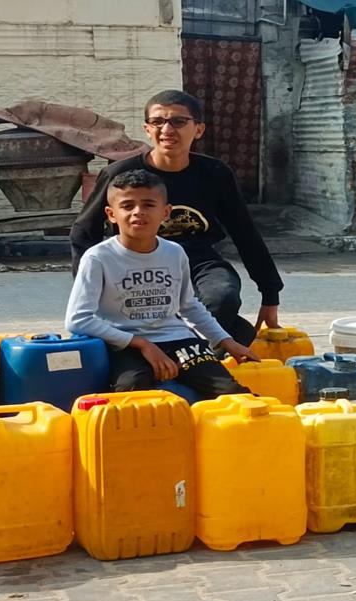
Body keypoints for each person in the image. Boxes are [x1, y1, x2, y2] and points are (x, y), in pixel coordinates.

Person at [70, 90, 283, 346]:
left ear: (198, 129)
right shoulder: (121, 174)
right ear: (147, 129)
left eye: (179, 121)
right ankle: (203, 340)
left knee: (222, 297)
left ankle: (192, 351)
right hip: (134, 264)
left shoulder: (215, 173)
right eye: (158, 122)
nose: (167, 129)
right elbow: (84, 232)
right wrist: (91, 290)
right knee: (146, 317)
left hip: (199, 260)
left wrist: (270, 293)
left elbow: (244, 233)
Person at [66, 169, 257, 396]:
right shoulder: (98, 258)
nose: (138, 212)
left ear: (165, 212)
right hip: (125, 346)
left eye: (148, 205)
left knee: (232, 393)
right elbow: (78, 319)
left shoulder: (175, 253)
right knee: (131, 391)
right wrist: (142, 344)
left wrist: (226, 341)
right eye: (127, 206)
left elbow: (189, 306)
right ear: (111, 214)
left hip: (179, 340)